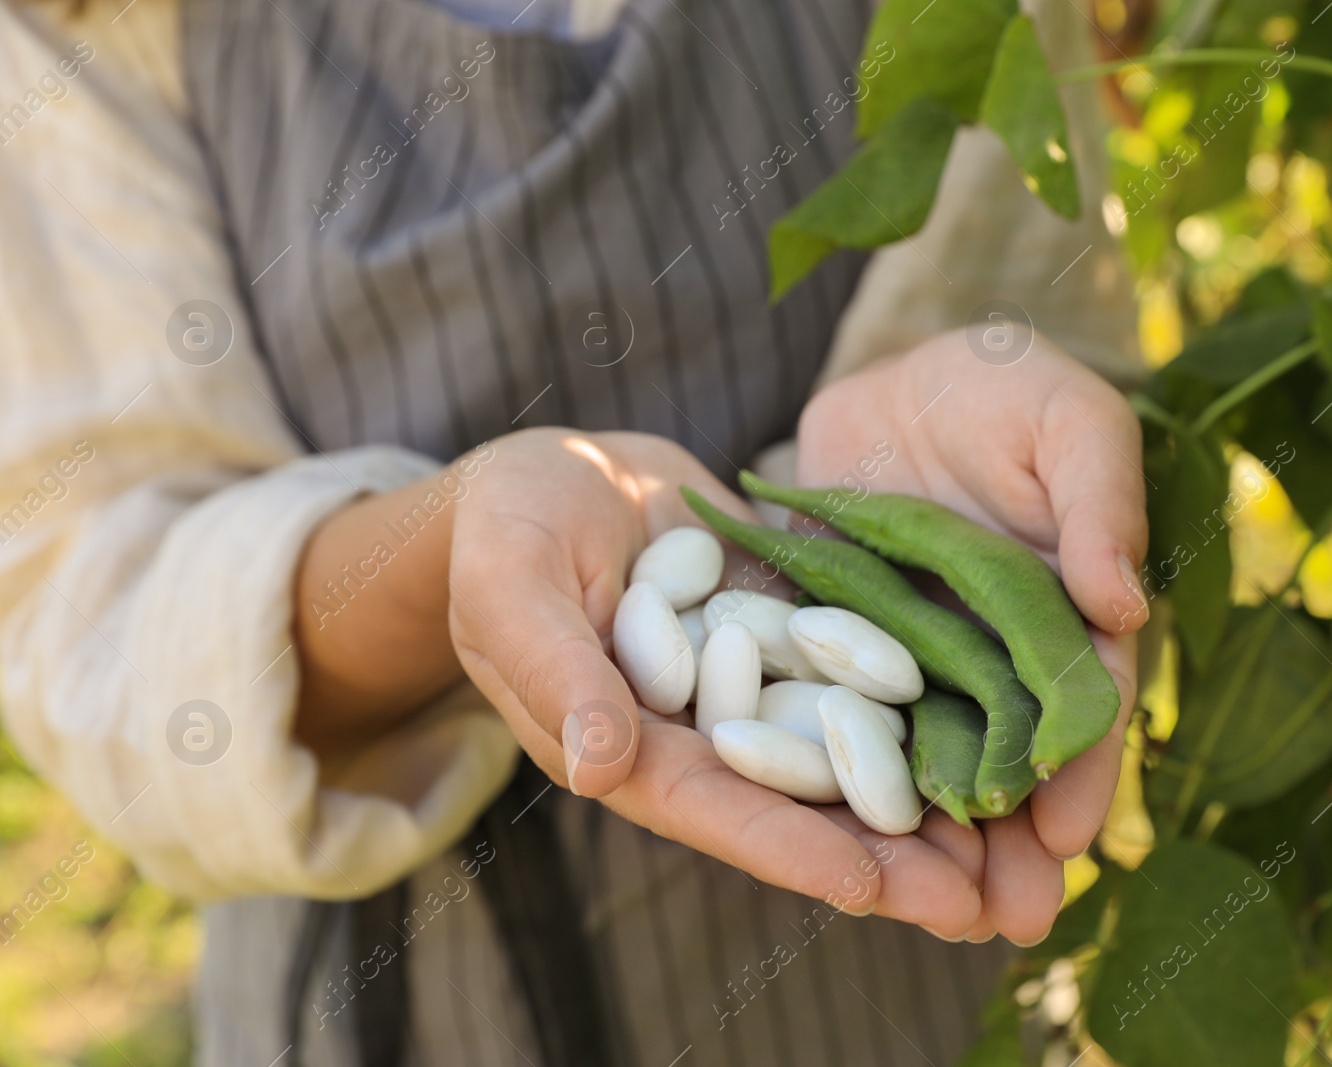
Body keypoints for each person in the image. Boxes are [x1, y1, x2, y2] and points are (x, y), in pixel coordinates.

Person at [0, 0, 1149, 1062]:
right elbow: (89, 590)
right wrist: (445, 556)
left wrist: (992, 403)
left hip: (897, 958)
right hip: (411, 997)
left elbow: (1020, 286)